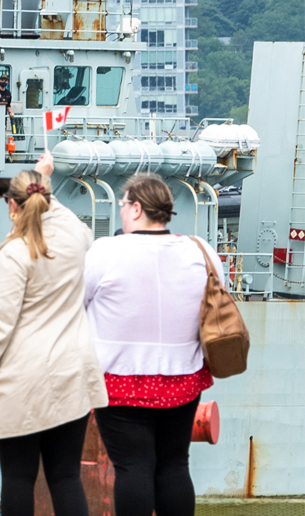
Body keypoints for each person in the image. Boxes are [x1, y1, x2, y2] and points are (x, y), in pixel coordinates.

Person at [0, 152, 106, 516]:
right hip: (71, 371)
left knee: (19, 478)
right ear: (45, 199)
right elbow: (69, 222)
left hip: (23, 379)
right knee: (65, 476)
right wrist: (44, 178)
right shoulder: (74, 241)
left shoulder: (13, 255)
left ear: (12, 206)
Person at [84, 174, 217, 516]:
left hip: (119, 377)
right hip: (183, 376)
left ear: (137, 207)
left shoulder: (104, 251)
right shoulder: (200, 251)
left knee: (132, 466)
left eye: (123, 204)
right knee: (174, 465)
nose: (122, 210)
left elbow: (74, 302)